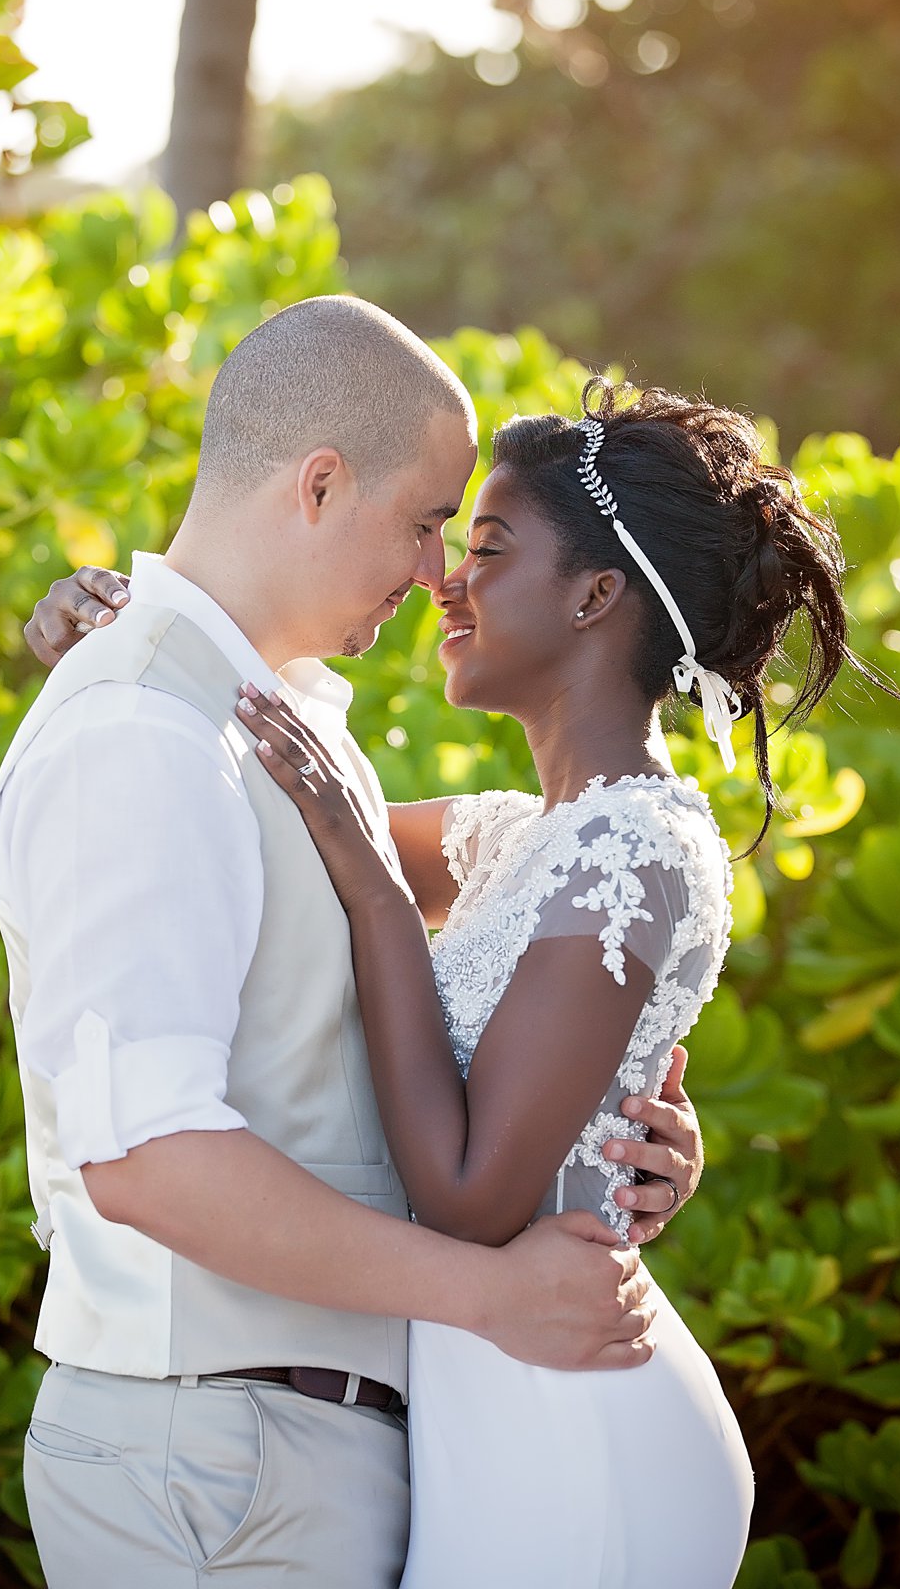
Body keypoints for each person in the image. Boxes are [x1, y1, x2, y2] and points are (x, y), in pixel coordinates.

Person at [0, 298, 696, 1589]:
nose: (440, 575)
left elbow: (500, 936)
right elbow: (143, 1157)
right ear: (318, 485)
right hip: (214, 1454)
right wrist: (482, 1293)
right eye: (429, 524)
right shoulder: (142, 733)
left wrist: (611, 1136)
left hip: (293, 1450)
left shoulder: (269, 729)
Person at [209, 376, 856, 1587]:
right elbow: (261, 806)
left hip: (570, 1425)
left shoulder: (637, 847)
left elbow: (466, 1199)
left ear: (596, 594)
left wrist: (375, 895)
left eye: (491, 548)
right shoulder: (523, 836)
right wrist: (132, 636)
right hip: (496, 1398)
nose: (446, 579)